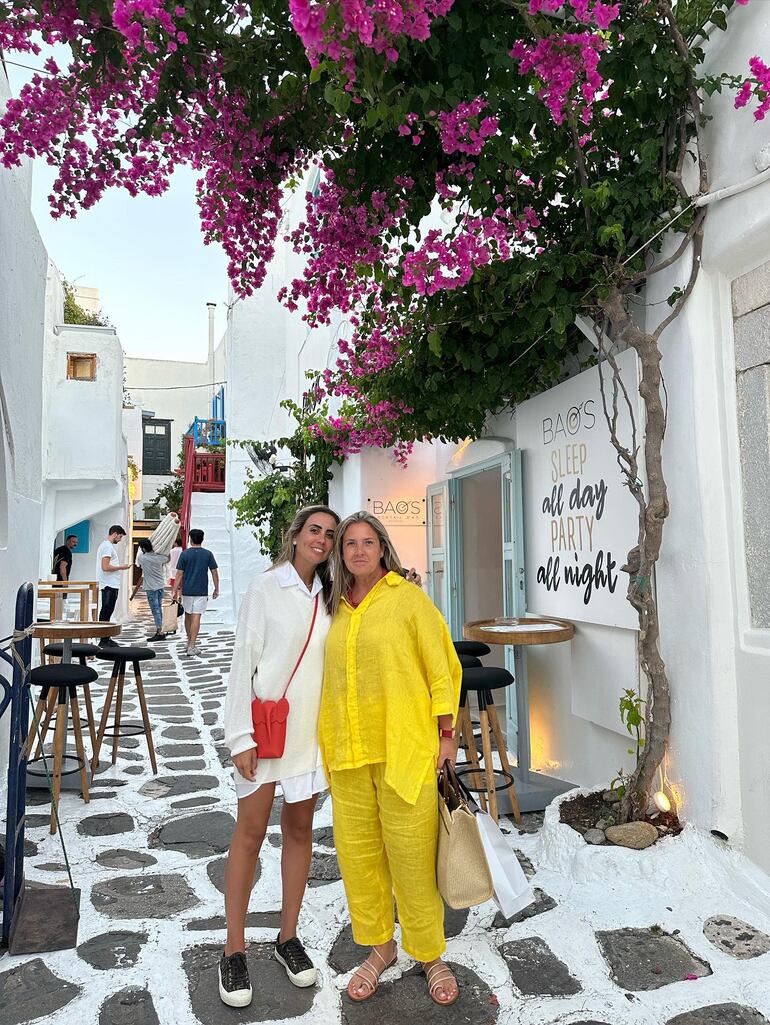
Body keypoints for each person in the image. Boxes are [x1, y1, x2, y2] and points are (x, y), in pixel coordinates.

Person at [319, 511, 462, 1007]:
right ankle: (380, 948)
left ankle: (429, 953)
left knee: (413, 861)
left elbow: (442, 665)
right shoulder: (333, 607)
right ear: (341, 553)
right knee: (359, 860)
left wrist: (447, 733)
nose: (358, 551)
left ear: (382, 548)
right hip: (348, 752)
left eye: (367, 542)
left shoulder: (408, 599)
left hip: (404, 749)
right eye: (349, 544)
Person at [221, 505, 339, 1007]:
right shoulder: (264, 589)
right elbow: (242, 663)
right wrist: (240, 737)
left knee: (298, 833)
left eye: (330, 534)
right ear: (295, 536)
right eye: (315, 530)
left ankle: (287, 938)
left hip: (310, 739)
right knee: (248, 834)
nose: (323, 539)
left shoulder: (333, 598)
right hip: (266, 736)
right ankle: (233, 948)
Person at [172, 528, 219, 657]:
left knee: (188, 615)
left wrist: (174, 590)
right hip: (201, 590)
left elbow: (179, 573)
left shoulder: (185, 554)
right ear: (202, 539)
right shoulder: (208, 554)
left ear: (190, 539)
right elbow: (214, 571)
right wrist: (216, 588)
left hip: (187, 589)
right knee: (196, 617)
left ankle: (188, 642)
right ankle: (192, 645)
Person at [96, 525, 129, 646]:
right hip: (109, 584)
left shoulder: (106, 546)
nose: (120, 540)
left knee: (108, 611)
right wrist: (121, 567)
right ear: (115, 534)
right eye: (120, 537)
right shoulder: (107, 547)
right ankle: (103, 639)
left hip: (110, 584)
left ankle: (106, 637)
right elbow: (105, 567)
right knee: (106, 611)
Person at [135, 538, 170, 642]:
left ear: (143, 548)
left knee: (155, 610)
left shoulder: (142, 558)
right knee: (159, 608)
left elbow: (138, 563)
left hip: (151, 587)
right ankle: (161, 629)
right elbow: (168, 558)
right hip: (160, 586)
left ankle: (160, 632)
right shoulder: (159, 557)